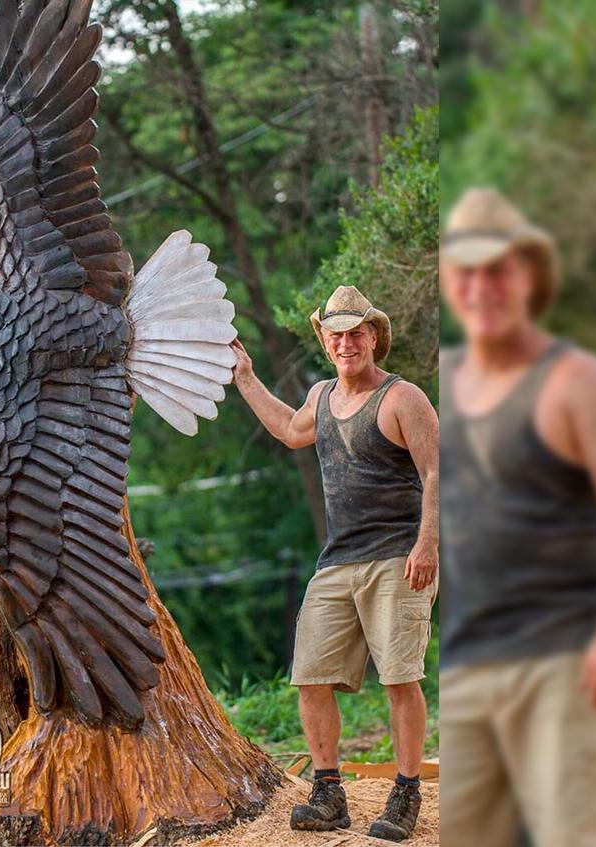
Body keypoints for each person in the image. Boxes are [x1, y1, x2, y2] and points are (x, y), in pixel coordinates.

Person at [439, 187, 596, 847]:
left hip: (566, 660)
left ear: (530, 276)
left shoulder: (577, 381)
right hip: (467, 662)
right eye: (467, 269)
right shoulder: (444, 376)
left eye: (499, 268)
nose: (482, 285)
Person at [231, 285, 439, 842]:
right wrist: (246, 377)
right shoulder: (321, 397)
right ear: (326, 341)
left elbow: (437, 473)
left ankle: (406, 793)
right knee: (311, 677)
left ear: (373, 336)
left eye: (356, 332)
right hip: (338, 560)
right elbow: (287, 430)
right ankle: (328, 794)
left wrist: (428, 545)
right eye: (336, 334)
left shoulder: (403, 399)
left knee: (400, 679)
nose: (346, 342)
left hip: (398, 556)